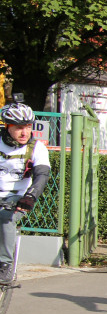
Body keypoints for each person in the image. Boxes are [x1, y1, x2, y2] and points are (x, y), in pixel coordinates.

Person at [0, 103, 50, 285]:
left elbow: (42, 175)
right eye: (19, 128)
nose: (24, 132)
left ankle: (4, 264)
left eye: (28, 127)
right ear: (7, 127)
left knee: (5, 217)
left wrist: (30, 196)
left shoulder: (36, 148)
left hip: (17, 197)